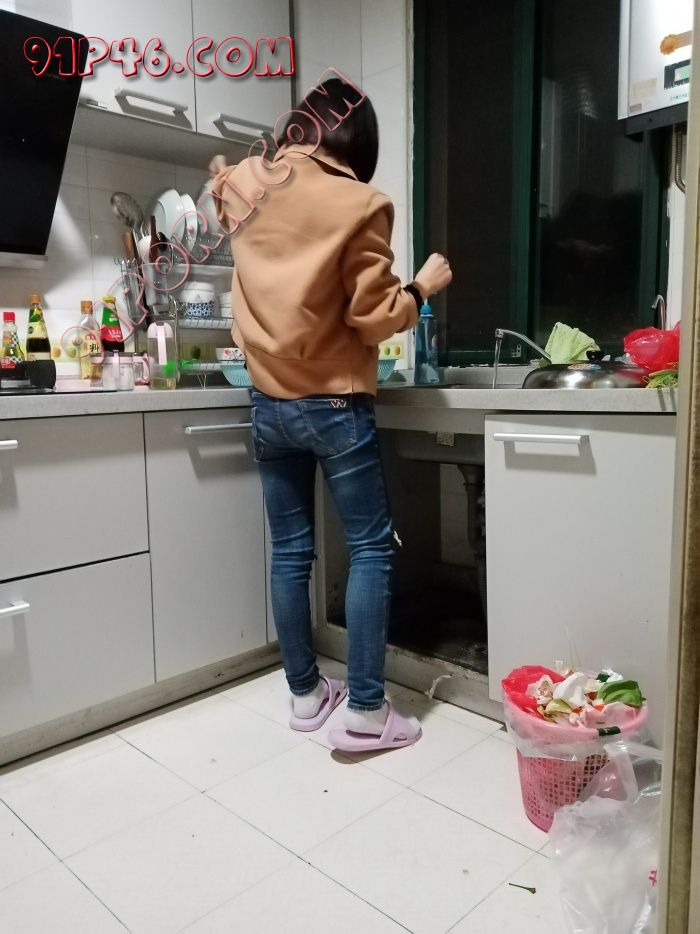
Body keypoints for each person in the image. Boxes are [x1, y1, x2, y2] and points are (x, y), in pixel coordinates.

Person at [211, 77, 451, 752]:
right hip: (336, 406)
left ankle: (306, 695)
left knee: (291, 551)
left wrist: (222, 176)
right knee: (370, 548)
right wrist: (422, 289)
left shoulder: (246, 185)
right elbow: (373, 318)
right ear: (357, 142)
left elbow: (220, 189)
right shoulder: (362, 203)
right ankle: (367, 712)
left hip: (268, 404)